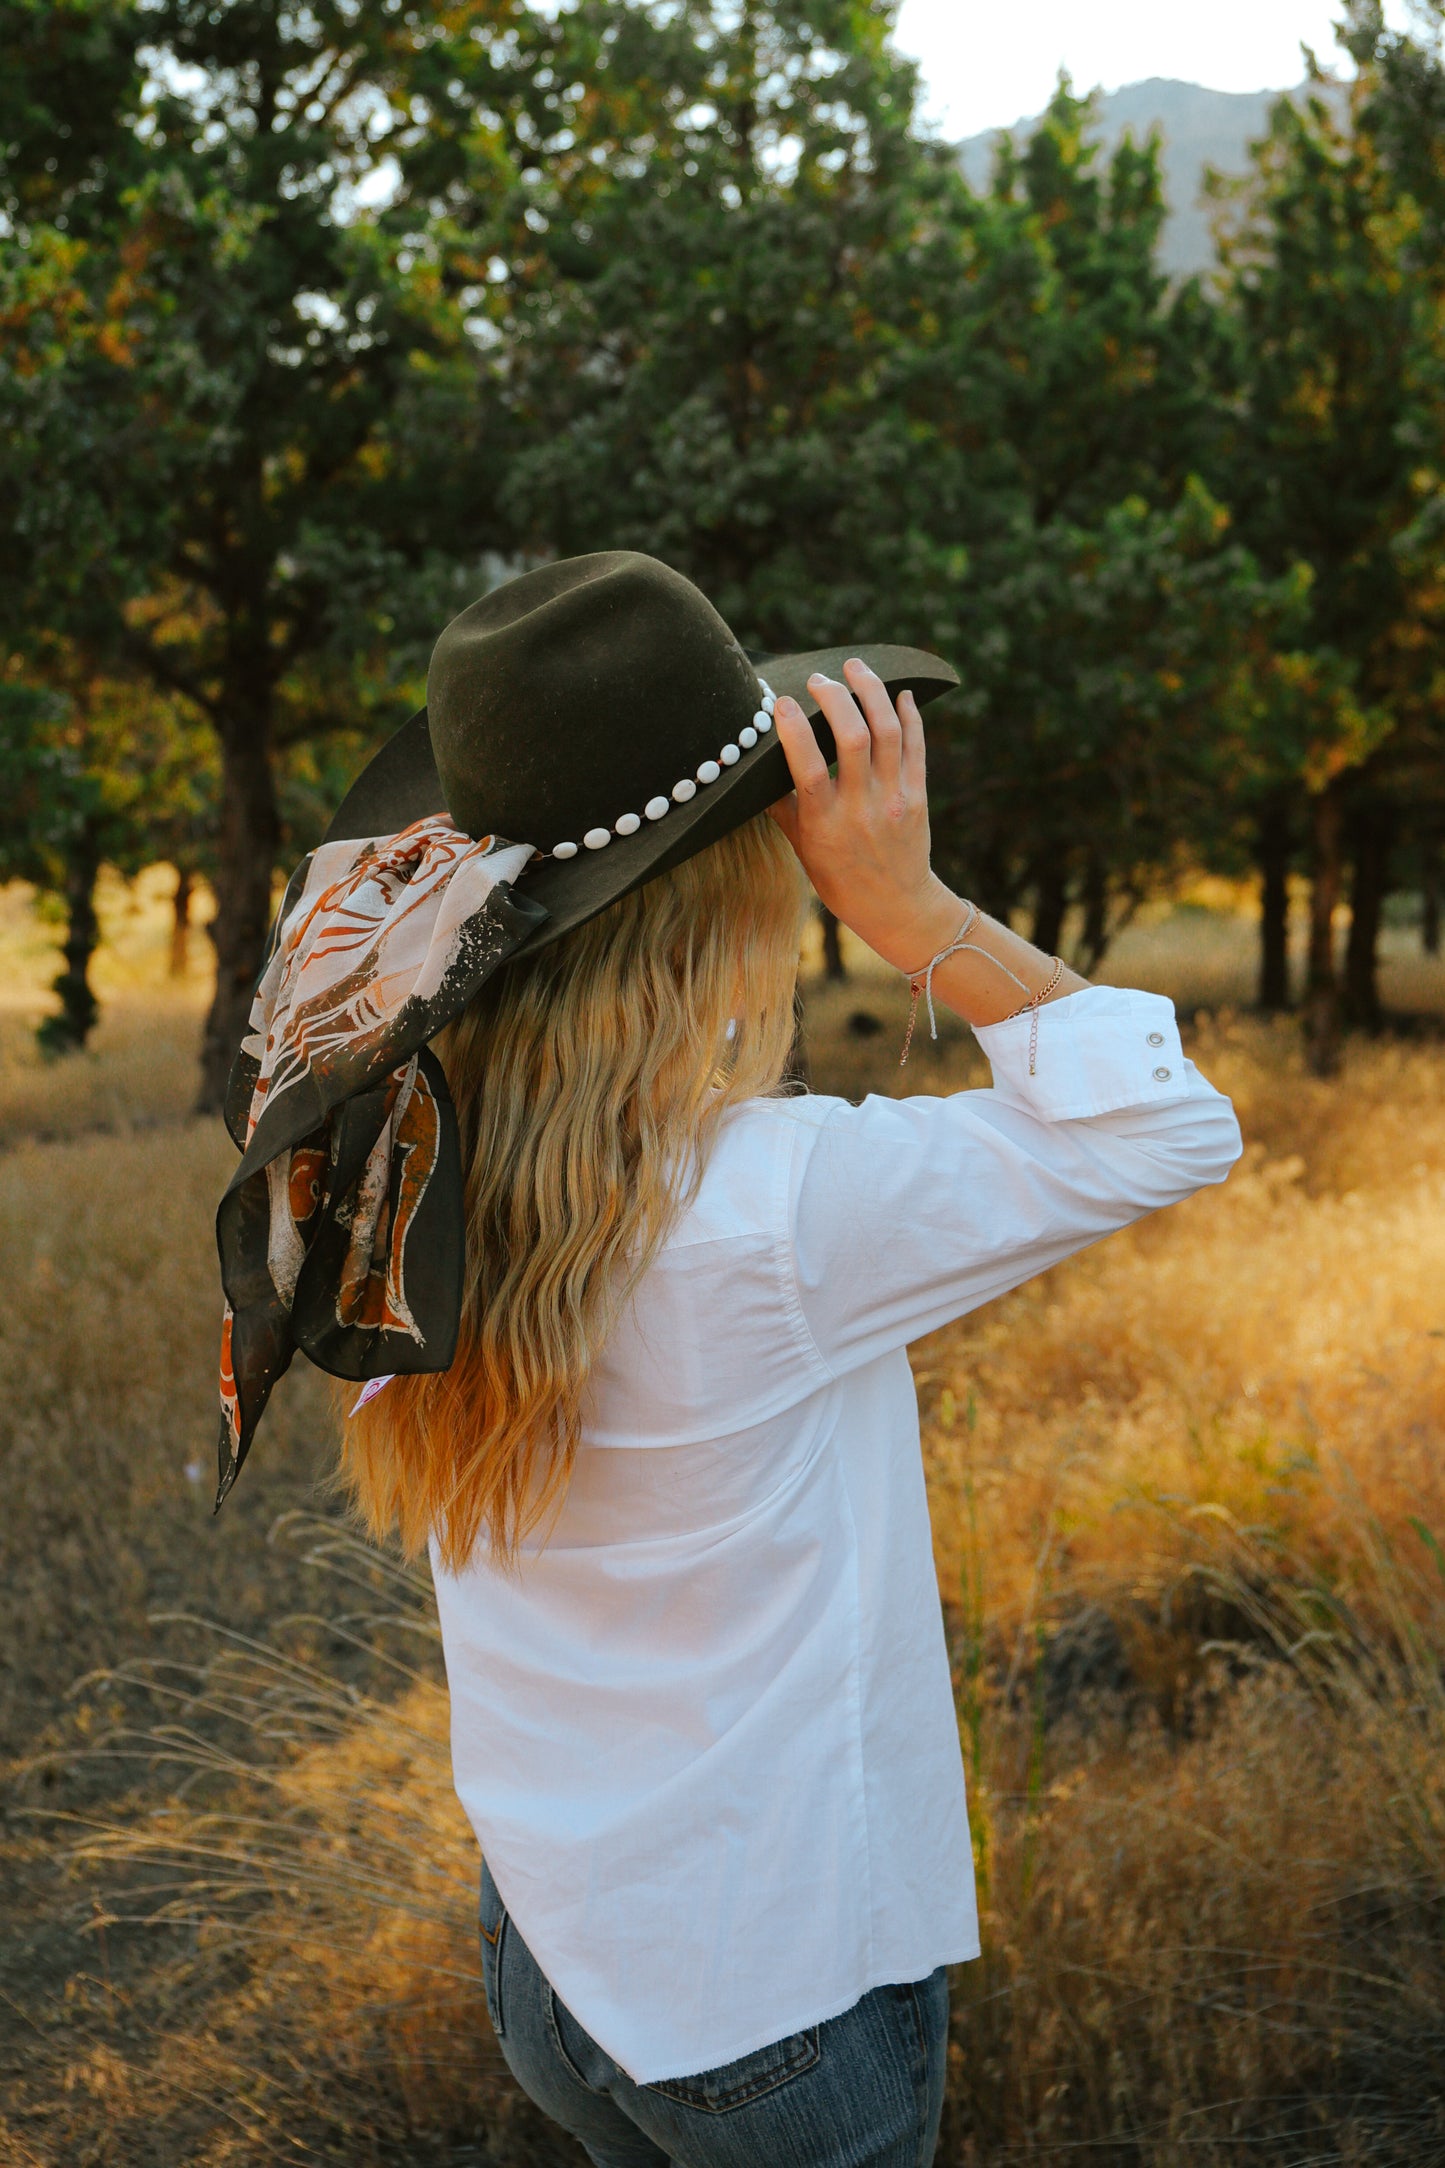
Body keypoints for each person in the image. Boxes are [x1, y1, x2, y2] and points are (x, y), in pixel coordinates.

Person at [215, 553, 1241, 2168]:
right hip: (772, 1997)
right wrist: (910, 909)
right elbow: (1167, 1123)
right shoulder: (764, 1212)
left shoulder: (390, 1176)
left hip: (550, 1957)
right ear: (722, 898)